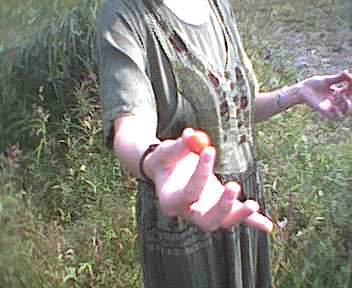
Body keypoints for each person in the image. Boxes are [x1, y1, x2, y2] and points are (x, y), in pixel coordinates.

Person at [96, 0, 352, 287]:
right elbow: (130, 126)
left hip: (241, 203)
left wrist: (296, 92)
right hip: (186, 216)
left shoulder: (216, 5)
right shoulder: (124, 14)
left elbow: (237, 108)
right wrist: (152, 161)